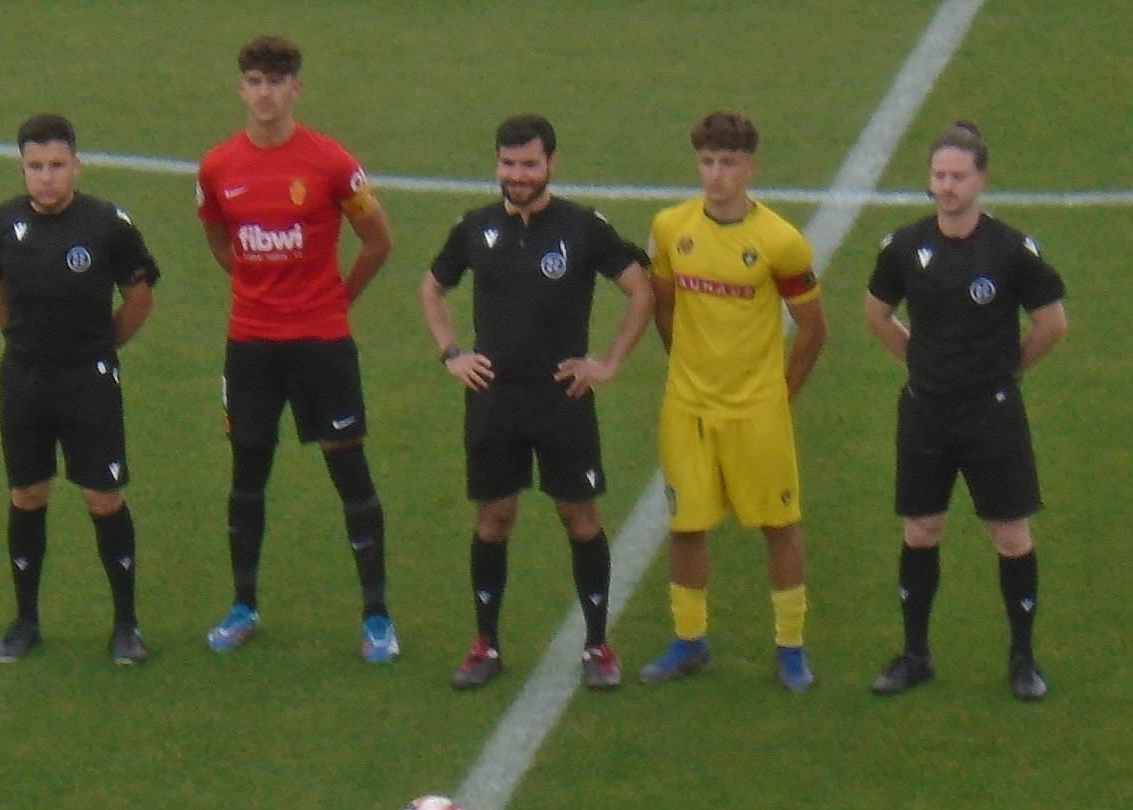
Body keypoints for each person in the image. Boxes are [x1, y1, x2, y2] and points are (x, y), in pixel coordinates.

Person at [419, 114, 654, 691]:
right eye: (508, 164)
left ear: (551, 163)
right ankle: (486, 644)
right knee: (494, 519)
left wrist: (608, 363)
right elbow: (432, 288)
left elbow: (641, 289)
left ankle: (597, 645)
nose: (517, 175)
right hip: (493, 399)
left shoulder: (583, 227)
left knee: (581, 518)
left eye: (529, 164)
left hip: (561, 399)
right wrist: (452, 353)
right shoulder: (475, 227)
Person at [196, 35, 398, 661]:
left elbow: (378, 241)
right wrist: (255, 285)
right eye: (255, 82)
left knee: (349, 471)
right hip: (251, 344)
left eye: (277, 82)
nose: (266, 94)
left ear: (296, 90)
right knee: (248, 471)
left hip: (321, 343)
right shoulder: (216, 168)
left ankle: (377, 617)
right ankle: (243, 606)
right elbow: (219, 238)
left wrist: (336, 299)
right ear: (241, 89)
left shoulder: (331, 162)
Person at [863, 120, 1068, 701]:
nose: (947, 186)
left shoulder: (1010, 250)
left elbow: (1052, 323)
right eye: (939, 175)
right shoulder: (905, 246)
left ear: (981, 180)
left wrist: (1008, 371)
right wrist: (919, 361)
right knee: (922, 528)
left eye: (958, 176)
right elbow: (876, 314)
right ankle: (915, 655)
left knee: (1010, 534)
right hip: (926, 410)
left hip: (991, 415)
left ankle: (1023, 660)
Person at [638, 110, 827, 693]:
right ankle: (690, 640)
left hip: (756, 412)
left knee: (779, 525)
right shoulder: (670, 228)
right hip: (688, 408)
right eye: (707, 162)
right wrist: (687, 367)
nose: (716, 174)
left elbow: (813, 330)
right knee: (686, 525)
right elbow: (663, 305)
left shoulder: (780, 242)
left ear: (750, 168)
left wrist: (779, 397)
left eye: (727, 163)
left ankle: (791, 648)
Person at [0, 113, 160, 666]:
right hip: (24, 379)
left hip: (88, 381)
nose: (47, 176)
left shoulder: (109, 226)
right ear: (22, 168)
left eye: (57, 165)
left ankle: (126, 625)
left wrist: (102, 347)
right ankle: (26, 620)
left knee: (104, 497)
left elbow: (139, 300)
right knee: (28, 495)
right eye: (36, 166)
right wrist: (27, 341)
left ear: (76, 166)